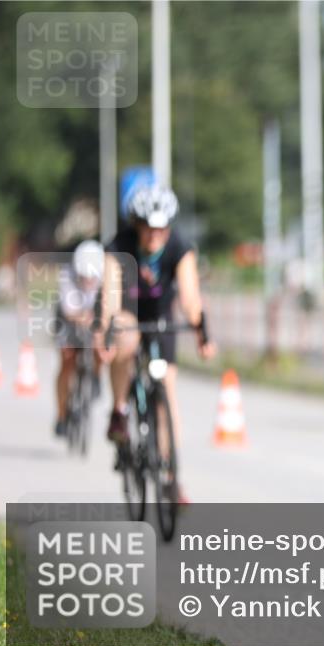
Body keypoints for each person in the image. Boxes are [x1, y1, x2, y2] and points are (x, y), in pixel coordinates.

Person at [95, 184, 214, 502]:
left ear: (169, 228)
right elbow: (110, 297)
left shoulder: (179, 247)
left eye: (161, 230)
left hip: (161, 316)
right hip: (127, 311)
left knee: (168, 393)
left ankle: (171, 478)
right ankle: (119, 411)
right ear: (136, 225)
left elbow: (190, 298)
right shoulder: (119, 245)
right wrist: (107, 331)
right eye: (148, 229)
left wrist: (203, 333)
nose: (154, 237)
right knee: (127, 338)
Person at [53, 240, 105, 436]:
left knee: (103, 346)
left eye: (92, 278)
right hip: (68, 319)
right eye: (84, 277)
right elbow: (68, 310)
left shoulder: (106, 277)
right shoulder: (67, 275)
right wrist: (84, 318)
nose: (88, 281)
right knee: (67, 360)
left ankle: (97, 377)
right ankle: (61, 414)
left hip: (94, 318)